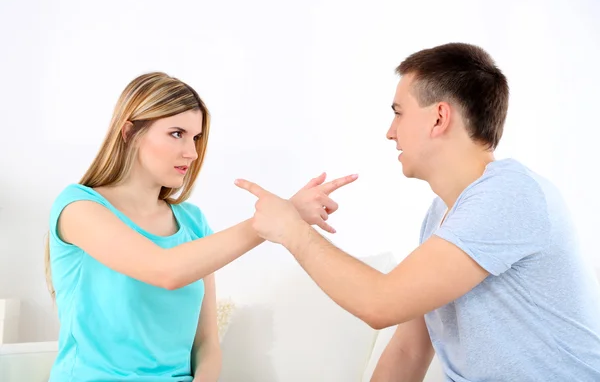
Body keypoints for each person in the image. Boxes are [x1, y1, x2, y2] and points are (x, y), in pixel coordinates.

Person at [234, 43, 600, 381]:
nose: (390, 132)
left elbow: (381, 303)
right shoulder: (443, 211)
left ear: (439, 118)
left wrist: (291, 229)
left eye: (398, 113)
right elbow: (410, 349)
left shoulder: (510, 195)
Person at [44, 71, 357, 382]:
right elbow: (165, 270)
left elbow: (206, 344)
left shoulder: (192, 222)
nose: (191, 153)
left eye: (195, 138)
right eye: (177, 133)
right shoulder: (78, 208)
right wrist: (276, 219)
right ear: (128, 133)